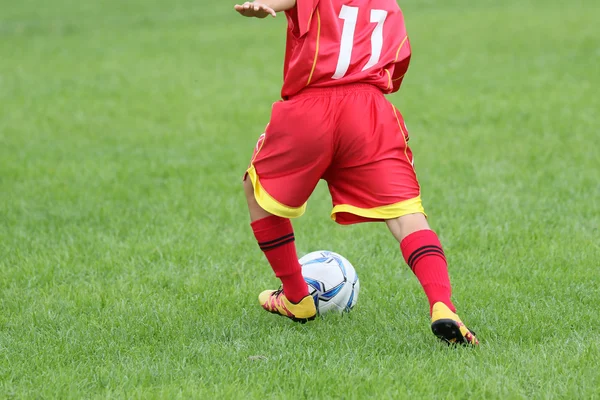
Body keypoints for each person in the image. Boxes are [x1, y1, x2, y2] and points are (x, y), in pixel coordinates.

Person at [234, 0, 478, 345]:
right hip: (370, 114)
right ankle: (443, 305)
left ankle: (296, 297)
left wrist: (264, 5)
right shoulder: (390, 7)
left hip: (311, 109)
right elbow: (395, 70)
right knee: (407, 216)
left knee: (256, 189)